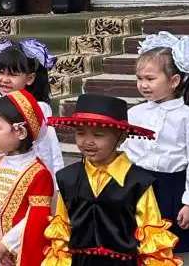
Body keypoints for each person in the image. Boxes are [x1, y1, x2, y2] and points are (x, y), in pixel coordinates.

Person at [44, 93, 180, 266]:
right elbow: (61, 230)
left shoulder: (138, 182)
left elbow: (151, 234)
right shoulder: (67, 178)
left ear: (121, 137)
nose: (88, 142)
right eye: (80, 133)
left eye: (98, 135)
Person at [123, 32, 189, 257]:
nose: (143, 84)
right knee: (135, 247)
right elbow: (127, 151)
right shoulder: (134, 113)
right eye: (139, 78)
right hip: (137, 187)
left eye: (150, 79)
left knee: (173, 251)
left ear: (174, 81)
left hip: (172, 189)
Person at [0, 90, 55, 266]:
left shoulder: (38, 173)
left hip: (19, 252)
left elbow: (36, 218)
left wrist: (5, 246)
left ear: (21, 131)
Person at [0, 40, 64, 178]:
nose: (5, 79)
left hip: (31, 175)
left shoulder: (38, 108)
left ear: (30, 78)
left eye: (13, 74)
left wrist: (54, 184)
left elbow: (49, 149)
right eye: (1, 72)